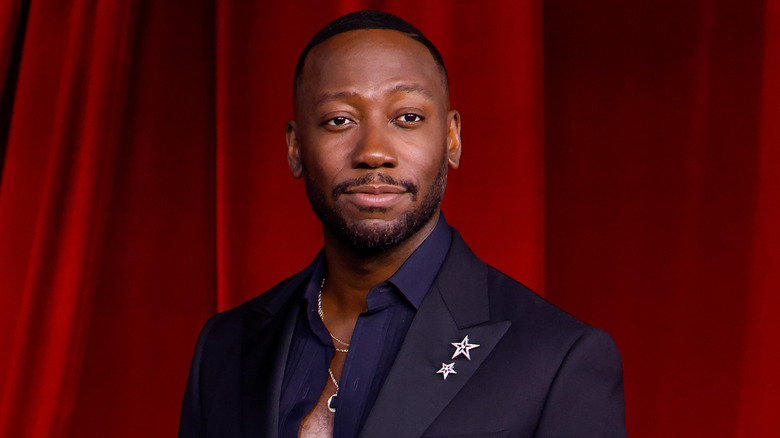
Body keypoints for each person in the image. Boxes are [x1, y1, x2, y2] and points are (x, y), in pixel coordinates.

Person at [178, 10, 626, 438]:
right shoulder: (225, 348)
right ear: (296, 147)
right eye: (340, 120)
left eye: (407, 118)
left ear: (451, 138)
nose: (374, 151)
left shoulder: (557, 358)